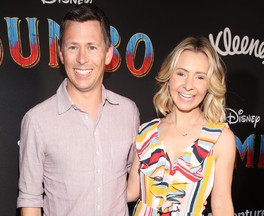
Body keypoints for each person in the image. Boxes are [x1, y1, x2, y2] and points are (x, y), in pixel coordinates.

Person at [17, 3, 140, 216]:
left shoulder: (129, 112)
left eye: (92, 47)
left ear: (108, 54)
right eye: (73, 47)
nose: (82, 58)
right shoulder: (37, 121)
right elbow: (30, 199)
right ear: (61, 54)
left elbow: (134, 185)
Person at [127, 36, 236, 215]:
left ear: (209, 84)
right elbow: (131, 191)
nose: (188, 85)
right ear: (169, 76)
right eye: (181, 73)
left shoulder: (220, 138)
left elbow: (222, 204)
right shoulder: (146, 132)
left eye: (200, 77)